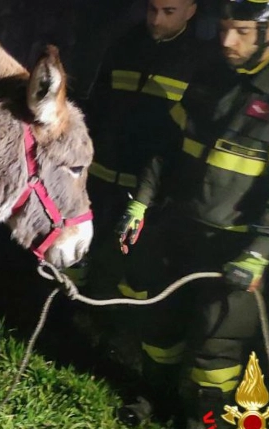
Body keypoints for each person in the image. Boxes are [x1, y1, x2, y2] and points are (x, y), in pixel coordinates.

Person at [114, 0, 269, 427]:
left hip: (234, 246)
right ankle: (152, 399)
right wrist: (141, 200)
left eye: (243, 32)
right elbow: (167, 148)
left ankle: (200, 419)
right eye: (226, 28)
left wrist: (260, 251)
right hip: (177, 230)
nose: (227, 41)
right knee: (161, 329)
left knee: (216, 351)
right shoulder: (209, 78)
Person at [69, 0, 223, 296]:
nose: (156, 19)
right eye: (152, 9)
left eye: (168, 12)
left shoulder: (201, 61)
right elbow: (99, 104)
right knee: (82, 250)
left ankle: (116, 326)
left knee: (132, 265)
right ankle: (70, 313)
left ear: (191, 11)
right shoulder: (124, 44)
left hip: (152, 186)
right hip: (102, 172)